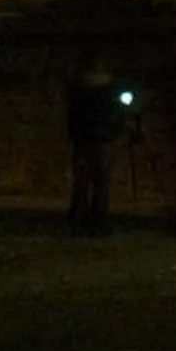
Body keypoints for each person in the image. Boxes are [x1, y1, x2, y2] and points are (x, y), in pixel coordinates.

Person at [65, 58, 124, 234]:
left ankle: (79, 218)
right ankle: (98, 219)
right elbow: (118, 114)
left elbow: (72, 116)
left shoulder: (78, 89)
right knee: (101, 181)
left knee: (82, 181)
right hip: (103, 139)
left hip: (84, 139)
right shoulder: (111, 89)